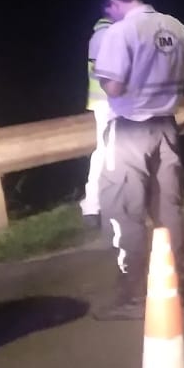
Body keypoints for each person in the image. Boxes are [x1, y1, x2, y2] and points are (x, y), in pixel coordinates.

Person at [90, 0, 184, 321]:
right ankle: (172, 286)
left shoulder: (119, 33)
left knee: (124, 211)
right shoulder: (176, 27)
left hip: (131, 129)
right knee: (168, 210)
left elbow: (114, 86)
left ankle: (132, 296)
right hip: (166, 126)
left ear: (113, 4)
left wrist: (104, 79)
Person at [79, 15, 115, 230]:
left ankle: (94, 204)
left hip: (108, 102)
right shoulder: (105, 35)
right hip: (108, 102)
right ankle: (92, 205)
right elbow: (100, 70)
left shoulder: (105, 34)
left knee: (108, 152)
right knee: (105, 152)